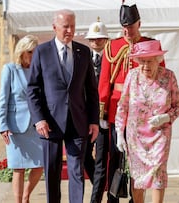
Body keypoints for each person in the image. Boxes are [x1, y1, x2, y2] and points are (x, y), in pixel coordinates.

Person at [26, 9, 99, 203]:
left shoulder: (83, 52)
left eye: (72, 26)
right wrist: (39, 119)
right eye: (65, 26)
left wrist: (93, 121)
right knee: (52, 172)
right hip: (49, 124)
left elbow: (91, 91)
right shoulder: (42, 52)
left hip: (78, 122)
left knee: (76, 171)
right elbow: (33, 89)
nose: (69, 30)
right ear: (54, 27)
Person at [115, 40, 179, 203]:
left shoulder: (168, 76)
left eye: (150, 61)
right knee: (137, 176)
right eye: (143, 61)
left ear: (158, 60)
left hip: (160, 135)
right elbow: (122, 106)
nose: (146, 65)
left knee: (158, 172)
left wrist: (166, 117)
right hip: (135, 137)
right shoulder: (132, 76)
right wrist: (119, 132)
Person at [98, 3, 153, 203]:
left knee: (140, 160)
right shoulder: (112, 47)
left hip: (142, 113)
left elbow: (158, 80)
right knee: (115, 157)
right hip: (117, 110)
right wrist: (102, 112)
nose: (127, 30)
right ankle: (113, 198)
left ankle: (136, 198)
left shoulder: (150, 45)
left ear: (139, 24)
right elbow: (104, 82)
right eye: (124, 26)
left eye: (131, 26)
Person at [0, 35, 44, 203]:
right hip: (15, 125)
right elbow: (3, 98)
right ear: (22, 52)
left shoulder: (39, 70)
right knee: (19, 168)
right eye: (30, 52)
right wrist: (2, 126)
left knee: (40, 164)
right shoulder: (10, 69)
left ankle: (26, 196)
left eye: (35, 52)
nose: (33, 55)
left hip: (36, 125)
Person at [84, 18, 109, 203]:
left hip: (104, 117)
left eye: (100, 38)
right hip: (85, 117)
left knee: (101, 159)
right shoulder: (83, 58)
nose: (96, 42)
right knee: (85, 157)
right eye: (93, 39)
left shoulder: (111, 59)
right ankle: (100, 186)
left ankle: (97, 198)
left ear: (106, 40)